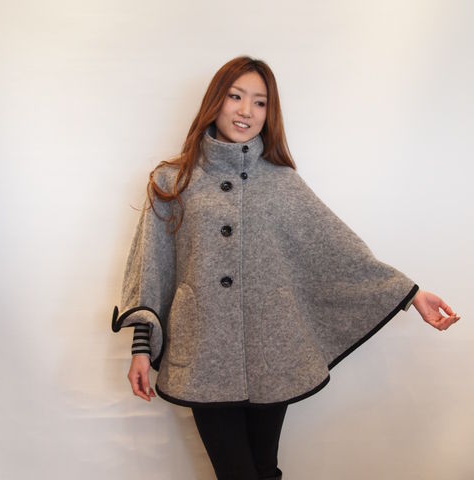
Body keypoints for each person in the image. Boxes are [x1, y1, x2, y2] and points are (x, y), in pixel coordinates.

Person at [111, 56, 460, 480]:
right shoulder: (172, 181)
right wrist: (141, 349)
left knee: (265, 470)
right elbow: (151, 268)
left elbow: (337, 250)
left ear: (269, 112)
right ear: (214, 102)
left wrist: (409, 294)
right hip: (202, 353)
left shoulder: (282, 182)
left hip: (271, 352)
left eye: (260, 102)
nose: (246, 110)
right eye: (235, 96)